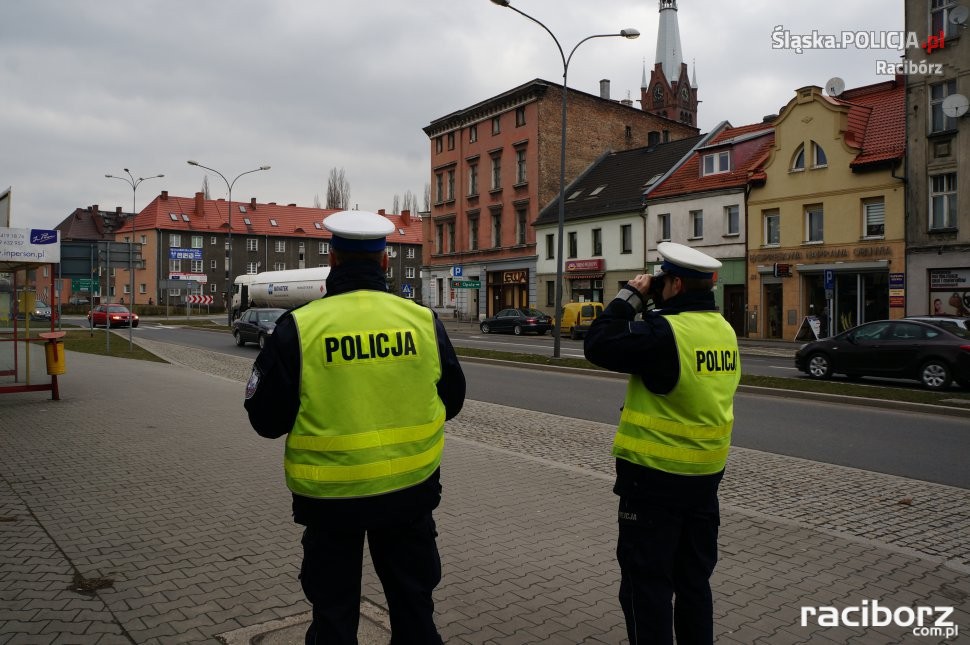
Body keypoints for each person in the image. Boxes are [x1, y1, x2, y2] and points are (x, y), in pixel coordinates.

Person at [245, 210, 466, 644]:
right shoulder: (421, 321)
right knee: (414, 611)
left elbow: (266, 420)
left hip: (331, 502)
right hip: (410, 494)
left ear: (333, 259)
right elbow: (453, 400)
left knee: (334, 617)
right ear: (385, 263)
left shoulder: (302, 327)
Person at [584, 242, 740, 645]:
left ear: (673, 284)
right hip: (705, 480)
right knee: (693, 584)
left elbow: (598, 343)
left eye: (662, 281)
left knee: (647, 586)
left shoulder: (664, 333)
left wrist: (630, 296)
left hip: (654, 483)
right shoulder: (723, 330)